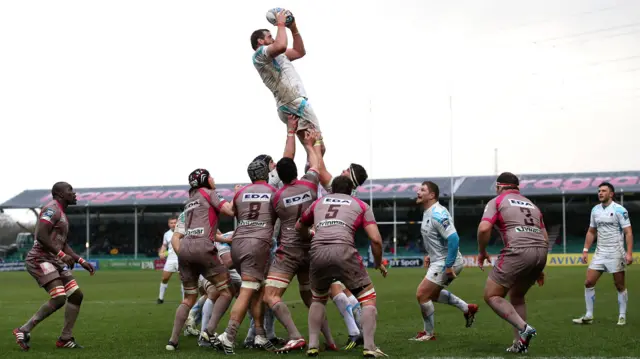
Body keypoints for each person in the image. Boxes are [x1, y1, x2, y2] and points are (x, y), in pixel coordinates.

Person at [296, 175, 388, 358]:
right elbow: (376, 240)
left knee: (318, 298)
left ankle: (313, 345)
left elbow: (299, 227)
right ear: (352, 190)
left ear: (332, 189)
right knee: (368, 298)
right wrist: (378, 263)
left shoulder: (318, 203)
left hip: (318, 251)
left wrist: (312, 232)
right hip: (343, 250)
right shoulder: (361, 205)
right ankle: (369, 347)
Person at [264, 130, 337, 353]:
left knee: (271, 295)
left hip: (289, 251)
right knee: (310, 297)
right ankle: (330, 340)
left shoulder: (276, 197)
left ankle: (295, 335)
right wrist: (311, 143)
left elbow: (272, 226)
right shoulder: (310, 184)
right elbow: (316, 164)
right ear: (296, 171)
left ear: (280, 175)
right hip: (310, 249)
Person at [14, 182, 95, 351]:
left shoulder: (62, 215)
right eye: (70, 190)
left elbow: (63, 244)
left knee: (76, 295)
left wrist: (81, 261)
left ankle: (65, 338)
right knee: (59, 297)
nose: (74, 193)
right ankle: (23, 330)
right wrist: (61, 255)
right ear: (59, 194)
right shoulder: (51, 209)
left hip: (54, 260)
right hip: (40, 259)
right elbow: (41, 234)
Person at [477, 172, 547, 354]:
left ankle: (524, 329)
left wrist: (482, 252)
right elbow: (544, 237)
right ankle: (519, 343)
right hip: (541, 252)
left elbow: (484, 228)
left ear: (499, 186)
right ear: (517, 188)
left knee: (492, 296)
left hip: (518, 251)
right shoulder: (533, 205)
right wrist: (539, 267)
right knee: (517, 296)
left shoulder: (497, 201)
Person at [165, 169, 236, 351]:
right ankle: (209, 331)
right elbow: (229, 210)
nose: (214, 179)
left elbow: (183, 234)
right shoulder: (210, 193)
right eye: (211, 176)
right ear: (205, 180)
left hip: (185, 249)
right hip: (204, 247)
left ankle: (172, 341)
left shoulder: (189, 202)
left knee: (189, 298)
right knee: (227, 291)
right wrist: (237, 194)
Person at [216, 160, 279, 354]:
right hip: (257, 245)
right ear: (266, 174)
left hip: (237, 243)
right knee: (248, 290)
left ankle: (259, 334)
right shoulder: (274, 192)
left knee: (256, 290)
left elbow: (232, 211)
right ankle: (229, 335)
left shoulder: (240, 192)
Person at [250, 9, 326, 157]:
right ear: (260, 41)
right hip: (293, 101)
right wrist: (280, 24)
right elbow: (281, 45)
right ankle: (313, 172)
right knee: (319, 146)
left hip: (290, 102)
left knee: (313, 147)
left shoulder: (277, 53)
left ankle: (309, 172)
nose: (273, 38)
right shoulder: (259, 54)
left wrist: (293, 28)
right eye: (269, 36)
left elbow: (299, 51)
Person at [410, 181, 478, 342]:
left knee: (422, 294)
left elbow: (454, 238)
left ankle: (428, 334)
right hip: (438, 260)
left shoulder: (438, 213)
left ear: (432, 195)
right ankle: (466, 308)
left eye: (423, 190)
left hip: (446, 262)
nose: (418, 192)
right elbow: (436, 238)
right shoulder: (428, 212)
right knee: (431, 294)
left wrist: (448, 266)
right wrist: (430, 254)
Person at [573, 182, 633, 326]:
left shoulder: (620, 210)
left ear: (611, 194)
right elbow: (591, 231)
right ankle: (588, 315)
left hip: (616, 252)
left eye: (604, 191)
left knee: (619, 285)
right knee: (588, 282)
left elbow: (628, 232)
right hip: (600, 252)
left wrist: (629, 253)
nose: (600, 193)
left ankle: (622, 315)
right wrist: (585, 250)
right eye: (599, 191)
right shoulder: (595, 210)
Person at [158, 216, 182, 304]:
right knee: (165, 278)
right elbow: (164, 245)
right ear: (169, 224)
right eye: (171, 223)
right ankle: (160, 298)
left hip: (181, 259)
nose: (173, 224)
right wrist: (162, 252)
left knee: (183, 280)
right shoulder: (166, 234)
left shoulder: (183, 232)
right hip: (170, 260)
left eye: (174, 222)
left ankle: (184, 300)